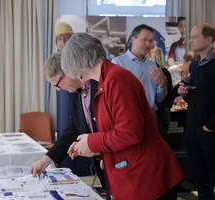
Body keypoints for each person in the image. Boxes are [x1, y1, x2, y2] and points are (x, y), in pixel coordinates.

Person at [63, 32, 184, 200]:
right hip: (135, 176)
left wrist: (92, 141)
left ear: (77, 62)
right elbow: (115, 131)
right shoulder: (106, 81)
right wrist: (93, 148)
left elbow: (129, 133)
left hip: (148, 179)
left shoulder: (117, 79)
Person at [30, 53, 110, 199]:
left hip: (118, 158)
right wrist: (46, 160)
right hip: (103, 163)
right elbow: (73, 128)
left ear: (67, 72)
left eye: (57, 84)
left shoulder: (99, 84)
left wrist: (108, 154)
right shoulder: (75, 93)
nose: (58, 90)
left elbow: (115, 127)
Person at [178, 23, 215, 200]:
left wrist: (208, 127)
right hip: (193, 129)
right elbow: (195, 97)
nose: (190, 40)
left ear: (208, 39)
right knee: (200, 178)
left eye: (194, 37)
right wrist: (185, 93)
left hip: (209, 131)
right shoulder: (195, 65)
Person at [111, 24, 168, 112]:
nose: (148, 44)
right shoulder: (117, 63)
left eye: (150, 41)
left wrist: (162, 85)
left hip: (150, 117)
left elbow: (159, 99)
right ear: (133, 39)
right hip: (127, 117)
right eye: (144, 40)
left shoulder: (153, 66)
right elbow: (113, 96)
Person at [151, 48, 174, 144]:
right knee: (164, 139)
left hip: (152, 111)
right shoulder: (166, 72)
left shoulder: (150, 72)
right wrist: (169, 106)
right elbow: (170, 93)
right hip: (164, 110)